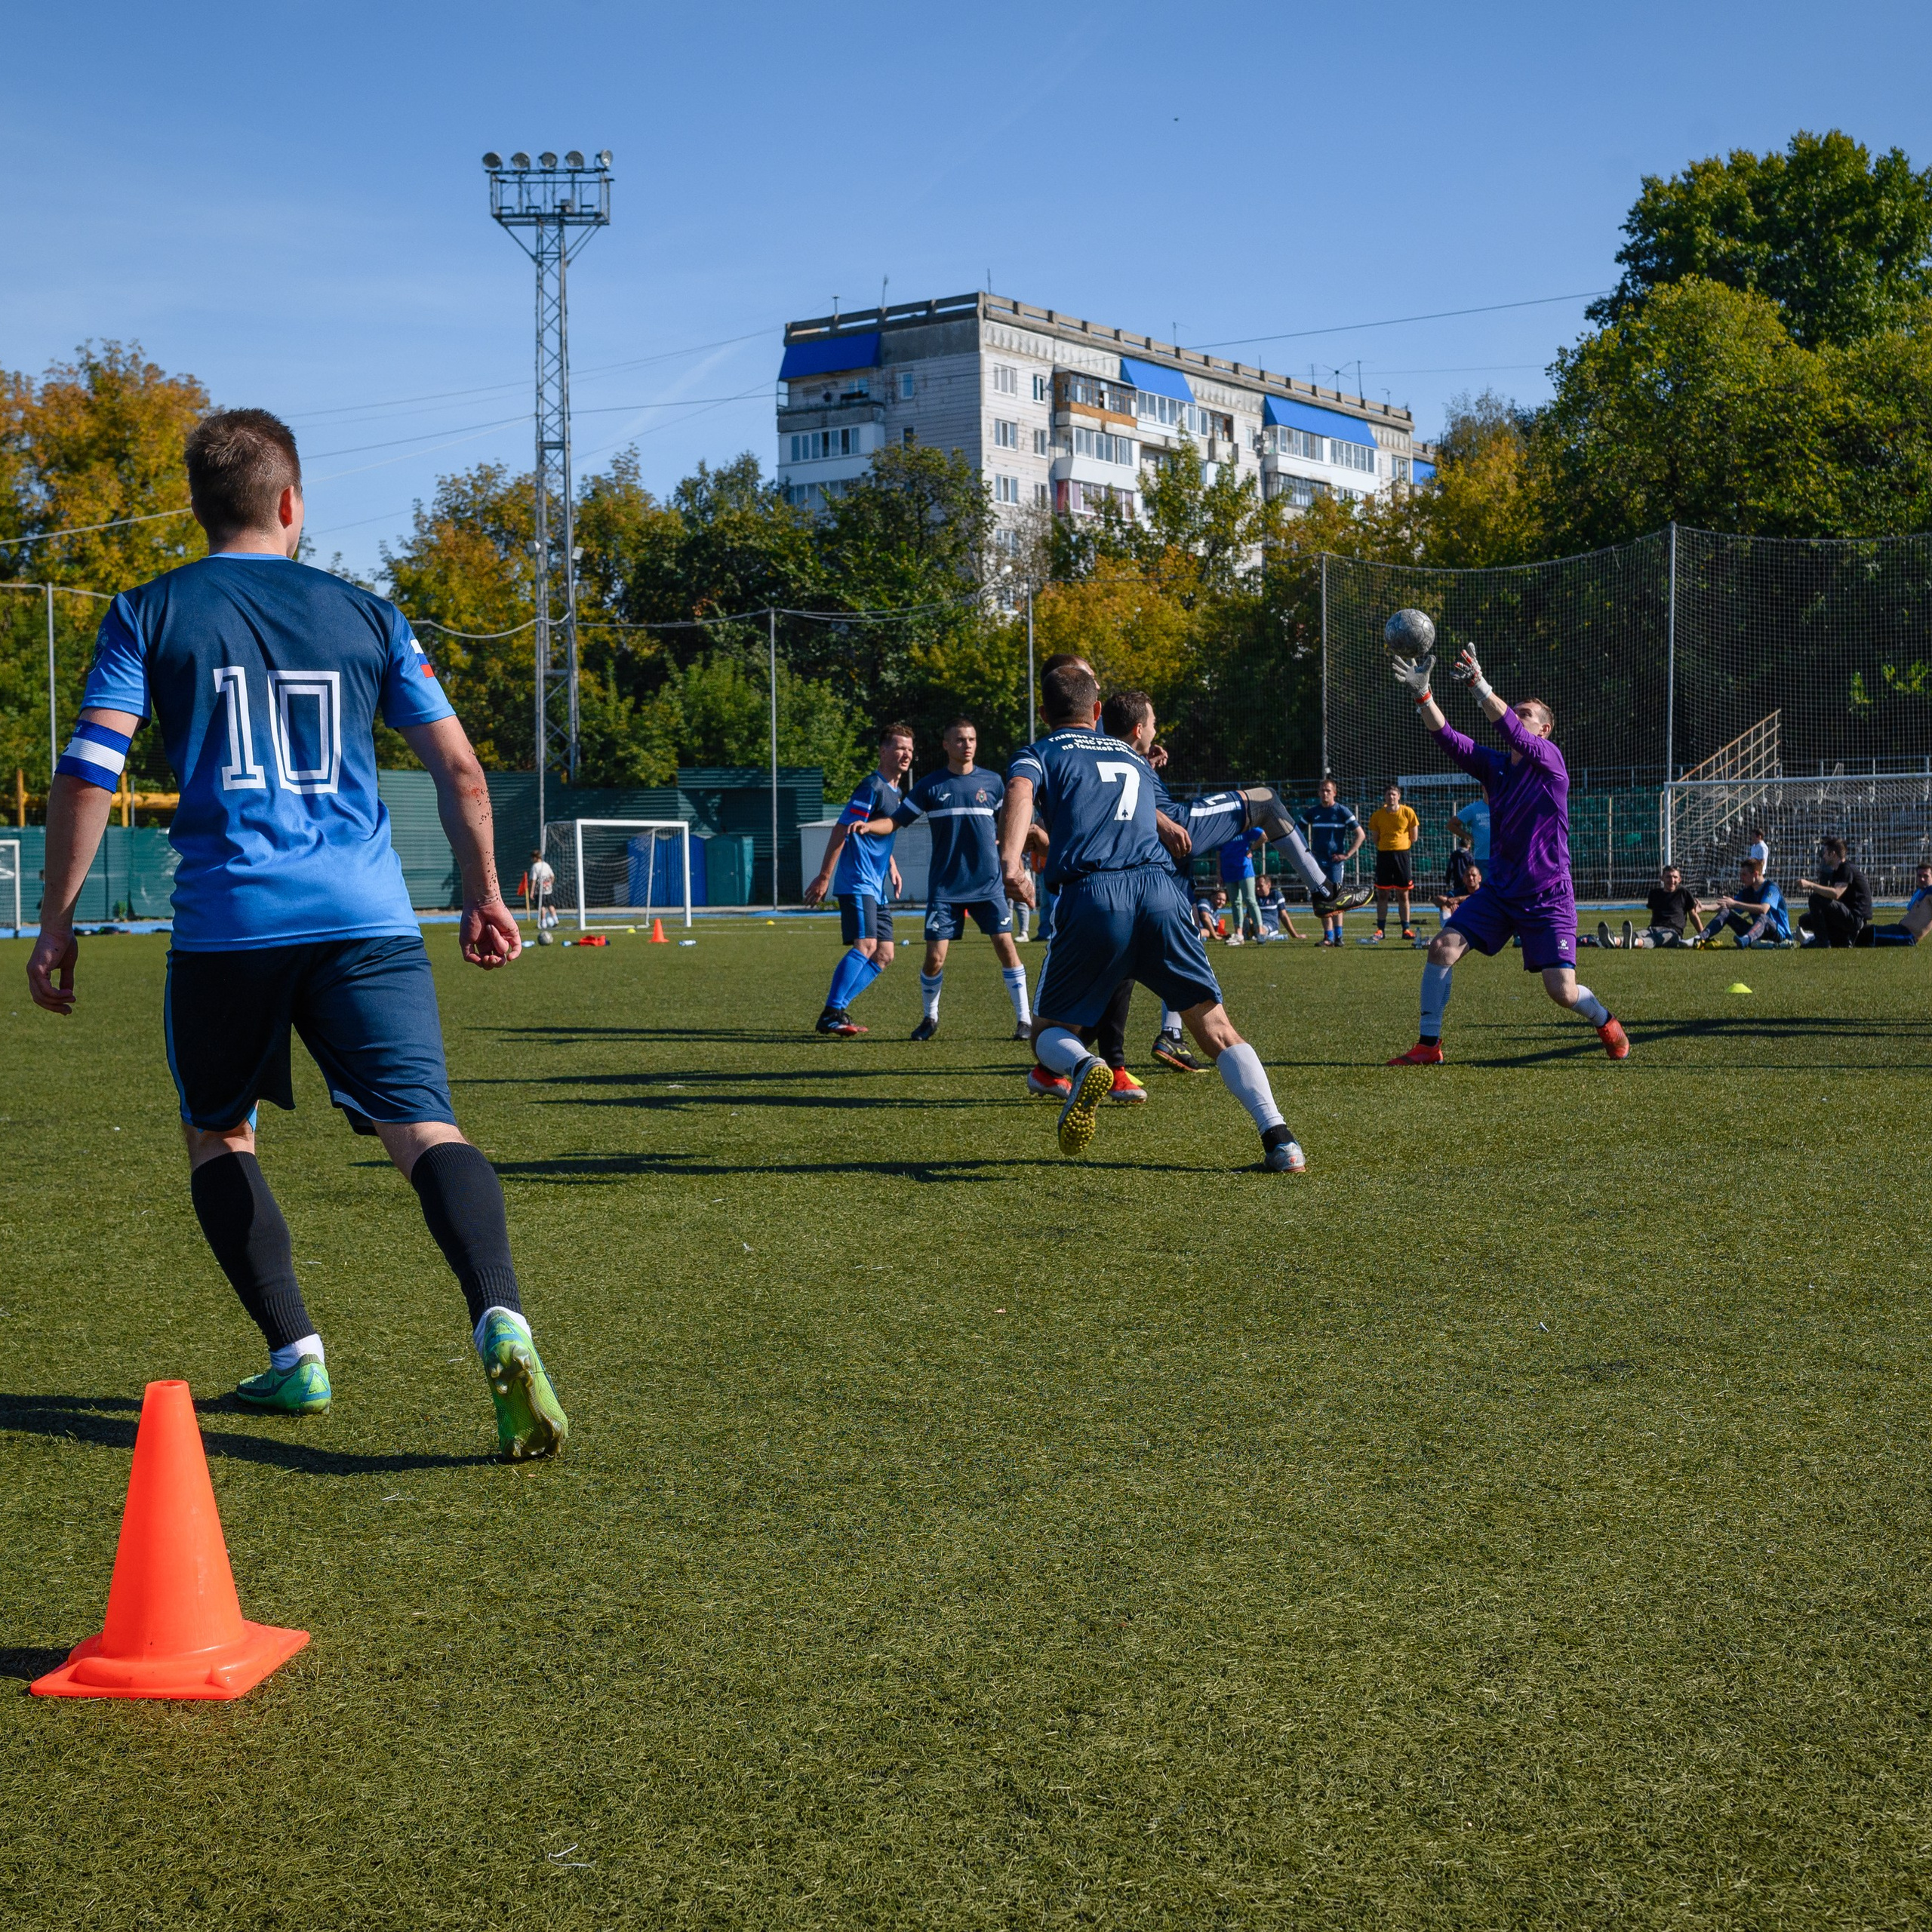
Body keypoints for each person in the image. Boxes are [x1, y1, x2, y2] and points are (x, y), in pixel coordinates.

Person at [26, 408, 566, 1457]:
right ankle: (500, 1312)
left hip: (231, 927)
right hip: (367, 921)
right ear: (290, 504)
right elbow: (459, 769)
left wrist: (55, 922)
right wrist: (485, 890)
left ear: (200, 506)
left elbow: (91, 771)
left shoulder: (150, 610)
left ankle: (296, 1357)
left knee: (220, 1134)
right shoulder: (370, 615)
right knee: (425, 1131)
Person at [1000, 666, 1308, 1171]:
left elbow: (1020, 792)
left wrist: (1011, 863)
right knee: (1216, 1029)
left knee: (1050, 1031)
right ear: (1097, 713)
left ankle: (1084, 1066)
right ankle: (1281, 1140)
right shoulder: (1131, 755)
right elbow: (1156, 813)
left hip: (1095, 895)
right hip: (1162, 894)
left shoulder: (1039, 752)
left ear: (1043, 714)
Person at [1386, 642, 1629, 1064]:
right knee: (1442, 946)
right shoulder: (1498, 768)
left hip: (1548, 895)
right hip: (1500, 891)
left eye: (1527, 713)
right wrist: (1424, 695)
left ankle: (1605, 1021)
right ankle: (1429, 1046)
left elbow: (1510, 731)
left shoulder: (1550, 762)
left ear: (1544, 731)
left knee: (1563, 992)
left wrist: (1479, 683)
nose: (1518, 716)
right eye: (1514, 709)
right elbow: (1449, 740)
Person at [851, 717, 1032, 1041]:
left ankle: (1024, 1020)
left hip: (987, 885)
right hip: (946, 889)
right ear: (946, 745)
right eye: (960, 740)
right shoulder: (930, 786)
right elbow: (894, 822)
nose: (967, 745)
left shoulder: (993, 783)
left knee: (1006, 947)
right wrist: (868, 826)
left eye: (972, 740)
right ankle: (929, 1018)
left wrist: (1014, 859)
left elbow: (1013, 825)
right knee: (934, 959)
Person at [804, 722, 912, 1035]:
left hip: (875, 884)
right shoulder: (872, 787)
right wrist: (825, 876)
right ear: (883, 750)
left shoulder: (896, 791)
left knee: (884, 954)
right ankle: (831, 1013)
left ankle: (834, 1010)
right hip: (857, 881)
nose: (906, 754)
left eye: (910, 749)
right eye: (899, 747)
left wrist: (891, 864)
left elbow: (876, 831)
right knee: (865, 945)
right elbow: (843, 828)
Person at [1303, 779, 1366, 946]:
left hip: (1335, 862)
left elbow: (1360, 834)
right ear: (1318, 793)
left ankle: (1339, 937)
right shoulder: (1313, 812)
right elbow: (1296, 831)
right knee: (1320, 897)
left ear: (1334, 793)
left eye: (1328, 791)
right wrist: (1306, 852)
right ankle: (1328, 936)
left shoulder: (1341, 811)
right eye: (1322, 790)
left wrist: (1347, 854)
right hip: (1317, 862)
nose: (1325, 793)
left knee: (1337, 897)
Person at [1688, 856, 1789, 946]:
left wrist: (1735, 904)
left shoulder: (1771, 888)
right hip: (1757, 934)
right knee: (1726, 912)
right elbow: (1728, 905)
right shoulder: (1747, 891)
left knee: (1763, 917)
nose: (1741, 878)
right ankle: (1700, 938)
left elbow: (1763, 909)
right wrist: (1704, 907)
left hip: (1779, 935)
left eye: (1744, 875)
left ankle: (1746, 940)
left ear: (1755, 874)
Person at [1366, 782, 1420, 943]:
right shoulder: (1377, 815)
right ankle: (1380, 930)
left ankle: (1406, 929)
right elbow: (1375, 839)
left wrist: (1401, 847)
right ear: (1385, 796)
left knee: (1403, 894)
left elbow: (1414, 837)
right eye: (1389, 794)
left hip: (1402, 856)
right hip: (1384, 856)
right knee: (1382, 894)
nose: (1391, 797)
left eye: (1394, 794)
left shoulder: (1408, 812)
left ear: (1399, 796)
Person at [1798, 837, 1873, 947]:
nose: (1823, 856)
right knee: (1805, 920)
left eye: (1825, 853)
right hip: (1847, 914)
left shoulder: (1846, 868)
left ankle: (1822, 942)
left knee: (1815, 899)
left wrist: (1811, 885)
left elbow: (1836, 894)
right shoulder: (1837, 871)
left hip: (1855, 918)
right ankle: (1838, 939)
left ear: (1833, 854)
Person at [1604, 865, 1703, 947]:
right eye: (1668, 877)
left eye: (1675, 877)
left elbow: (1693, 916)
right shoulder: (1654, 893)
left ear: (1680, 879)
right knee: (1636, 934)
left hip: (1673, 932)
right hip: (1653, 928)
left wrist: (1704, 935)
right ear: (1662, 878)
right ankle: (1614, 941)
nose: (1672, 880)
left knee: (1656, 939)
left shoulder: (1684, 893)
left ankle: (1634, 943)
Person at [1218, 826, 1266, 943]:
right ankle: (1239, 934)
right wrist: (1219, 872)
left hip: (1245, 869)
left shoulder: (1245, 826)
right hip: (1228, 869)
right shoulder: (1221, 828)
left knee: (1250, 900)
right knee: (1235, 902)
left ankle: (1260, 932)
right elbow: (1218, 852)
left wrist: (1252, 848)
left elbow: (1263, 836)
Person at [1870, 863, 1932, 945]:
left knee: (1870, 933)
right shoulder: (1920, 892)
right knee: (1869, 930)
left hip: (1907, 936)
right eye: (1919, 876)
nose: (1922, 879)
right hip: (1900, 929)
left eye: (1926, 876)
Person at [1437, 835, 1481, 924]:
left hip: (1457, 881)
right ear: (1468, 846)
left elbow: (1450, 868)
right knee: (1446, 904)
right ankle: (1449, 927)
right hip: (1462, 886)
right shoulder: (1469, 856)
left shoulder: (1455, 855)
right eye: (1468, 875)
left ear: (1480, 878)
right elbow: (1438, 900)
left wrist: (1448, 881)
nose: (1471, 878)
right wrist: (1451, 902)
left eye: (1473, 875)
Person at [1254, 875, 1304, 940]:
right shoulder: (1254, 897)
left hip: (1270, 924)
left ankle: (1264, 936)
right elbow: (1248, 916)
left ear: (1268, 885)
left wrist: (1295, 935)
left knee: (1262, 929)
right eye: (1256, 886)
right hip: (1257, 924)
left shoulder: (1276, 895)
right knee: (1248, 923)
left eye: (1261, 886)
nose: (1258, 889)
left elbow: (1283, 916)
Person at [1451, 793, 1491, 867]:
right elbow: (1451, 825)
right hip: (1482, 859)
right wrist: (1470, 838)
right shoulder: (1474, 808)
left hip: (1504, 858)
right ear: (1483, 788)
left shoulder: (1505, 806)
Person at [524, 847, 557, 931]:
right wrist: (550, 884)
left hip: (540, 890)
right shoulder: (546, 865)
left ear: (535, 858)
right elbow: (552, 876)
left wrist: (532, 891)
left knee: (541, 906)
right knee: (550, 905)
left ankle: (543, 922)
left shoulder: (535, 867)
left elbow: (533, 880)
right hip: (548, 889)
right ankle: (556, 919)